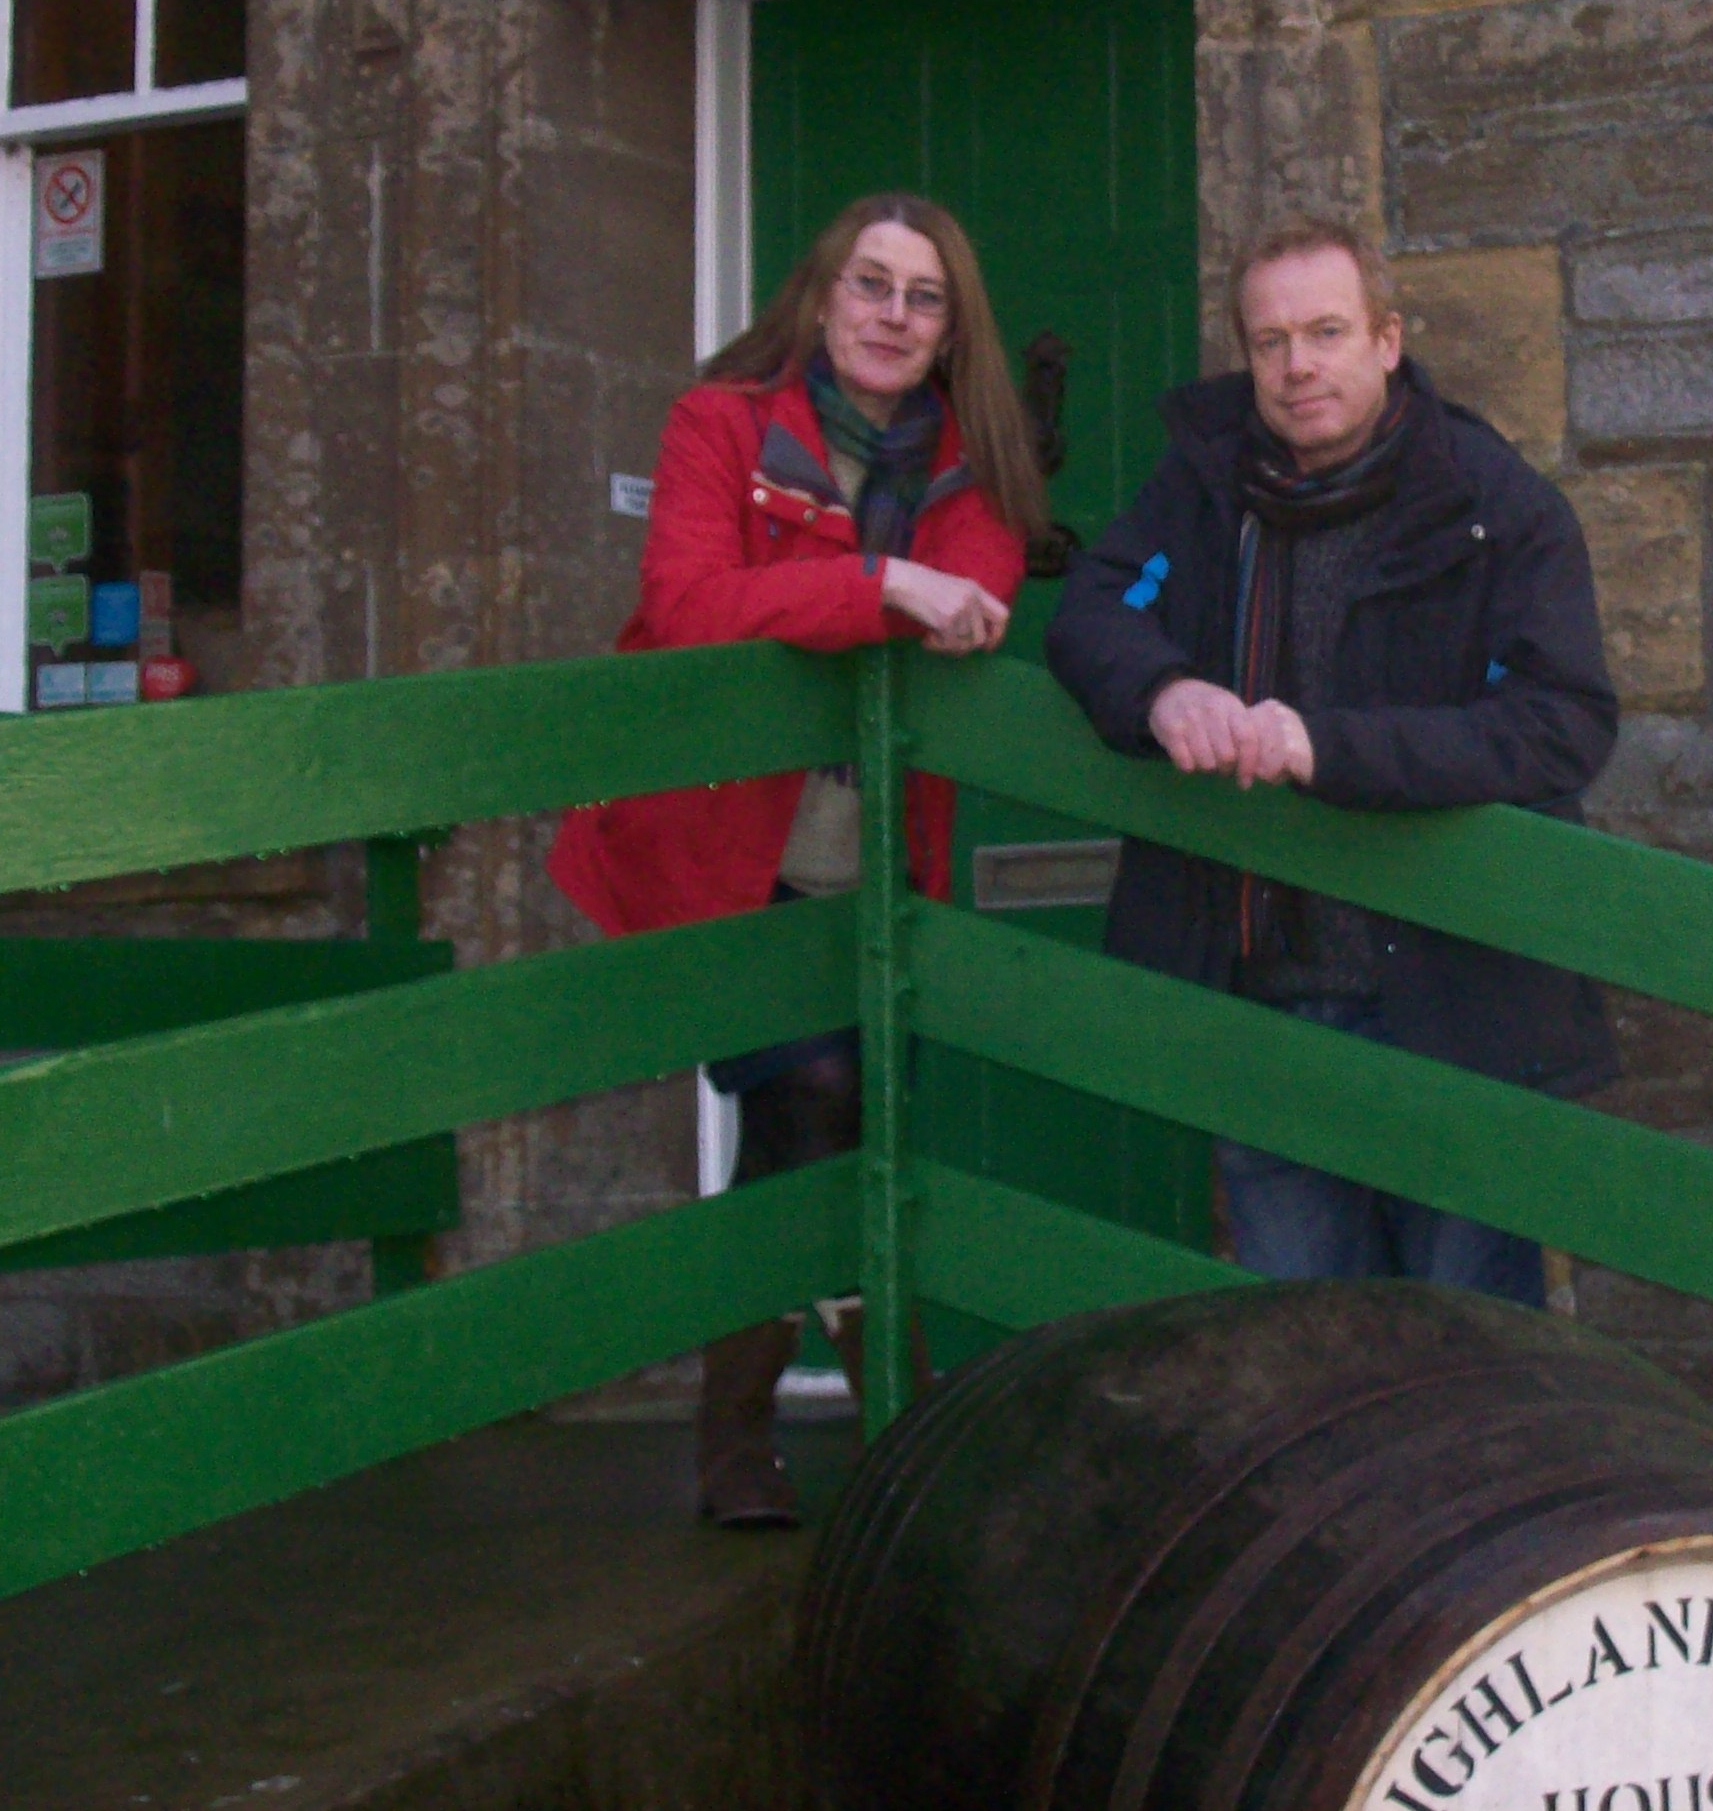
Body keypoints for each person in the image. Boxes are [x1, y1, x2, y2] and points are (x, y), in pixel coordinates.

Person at [549, 193, 1039, 1526]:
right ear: (822, 298)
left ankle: (766, 1436)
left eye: (924, 297)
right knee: (816, 1095)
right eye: (870, 284)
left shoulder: (980, 470)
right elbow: (687, 605)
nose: (892, 314)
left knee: (833, 1123)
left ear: (952, 331)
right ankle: (887, 1418)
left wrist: (857, 598)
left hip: (875, 866)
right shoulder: (720, 426)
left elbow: (975, 607)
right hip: (721, 856)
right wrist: (879, 587)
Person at [1043, 216, 1619, 1306]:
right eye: (1270, 342)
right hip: (1268, 1006)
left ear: (1386, 340)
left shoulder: (1495, 506)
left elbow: (1561, 720)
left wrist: (1330, 747)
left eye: (1325, 332)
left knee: (1466, 1345)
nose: (1296, 365)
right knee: (1310, 1345)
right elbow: (1093, 610)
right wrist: (1163, 689)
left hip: (1458, 1008)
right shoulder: (1205, 489)